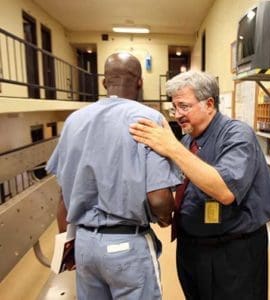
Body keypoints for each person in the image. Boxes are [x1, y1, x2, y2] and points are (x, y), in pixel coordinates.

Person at [129, 70, 270, 300]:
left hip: (232, 253)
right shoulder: (188, 140)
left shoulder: (237, 135)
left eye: (184, 106)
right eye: (174, 108)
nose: (177, 114)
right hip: (193, 248)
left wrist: (172, 148)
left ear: (209, 104)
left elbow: (225, 191)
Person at [46, 52, 182, 300]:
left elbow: (63, 199)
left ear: (103, 82)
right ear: (140, 82)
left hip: (85, 245)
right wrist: (166, 218)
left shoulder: (74, 121)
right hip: (127, 247)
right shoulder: (148, 120)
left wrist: (70, 247)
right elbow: (160, 199)